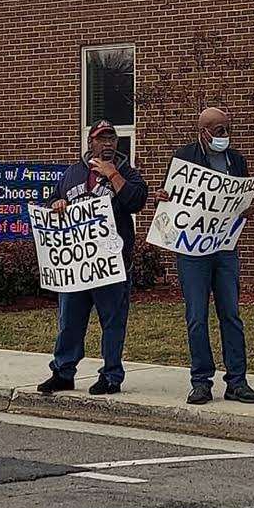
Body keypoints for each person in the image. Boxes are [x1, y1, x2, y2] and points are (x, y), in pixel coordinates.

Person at [37, 120, 149, 396]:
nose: (108, 143)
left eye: (112, 138)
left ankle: (111, 375)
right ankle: (63, 372)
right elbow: (52, 199)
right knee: (69, 322)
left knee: (112, 322)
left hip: (111, 265)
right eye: (102, 139)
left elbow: (136, 201)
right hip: (77, 265)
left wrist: (113, 175)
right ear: (91, 143)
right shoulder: (72, 173)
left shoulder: (128, 173)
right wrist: (56, 205)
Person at [172, 107, 254, 405]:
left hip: (224, 249)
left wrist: (247, 207)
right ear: (203, 131)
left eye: (227, 129)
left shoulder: (236, 160)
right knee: (197, 317)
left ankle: (237, 381)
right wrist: (164, 197)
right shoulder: (184, 158)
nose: (225, 135)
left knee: (231, 315)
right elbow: (173, 195)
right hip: (192, 250)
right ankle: (201, 381)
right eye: (219, 130)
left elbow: (244, 201)